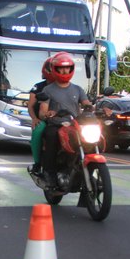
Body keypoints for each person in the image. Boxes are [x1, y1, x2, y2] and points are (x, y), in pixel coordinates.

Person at [38, 52, 91, 189]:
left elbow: (86, 103)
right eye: (61, 68)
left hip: (74, 124)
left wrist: (99, 107)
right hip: (56, 125)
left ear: (71, 69)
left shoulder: (78, 89)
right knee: (50, 136)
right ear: (55, 69)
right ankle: (49, 173)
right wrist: (47, 113)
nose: (64, 71)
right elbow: (42, 111)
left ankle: (86, 169)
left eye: (67, 68)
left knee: (90, 139)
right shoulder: (48, 89)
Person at [27, 58, 56, 175]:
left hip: (62, 119)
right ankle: (37, 163)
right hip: (44, 118)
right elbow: (30, 105)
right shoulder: (38, 87)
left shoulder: (68, 87)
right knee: (38, 130)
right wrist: (35, 118)